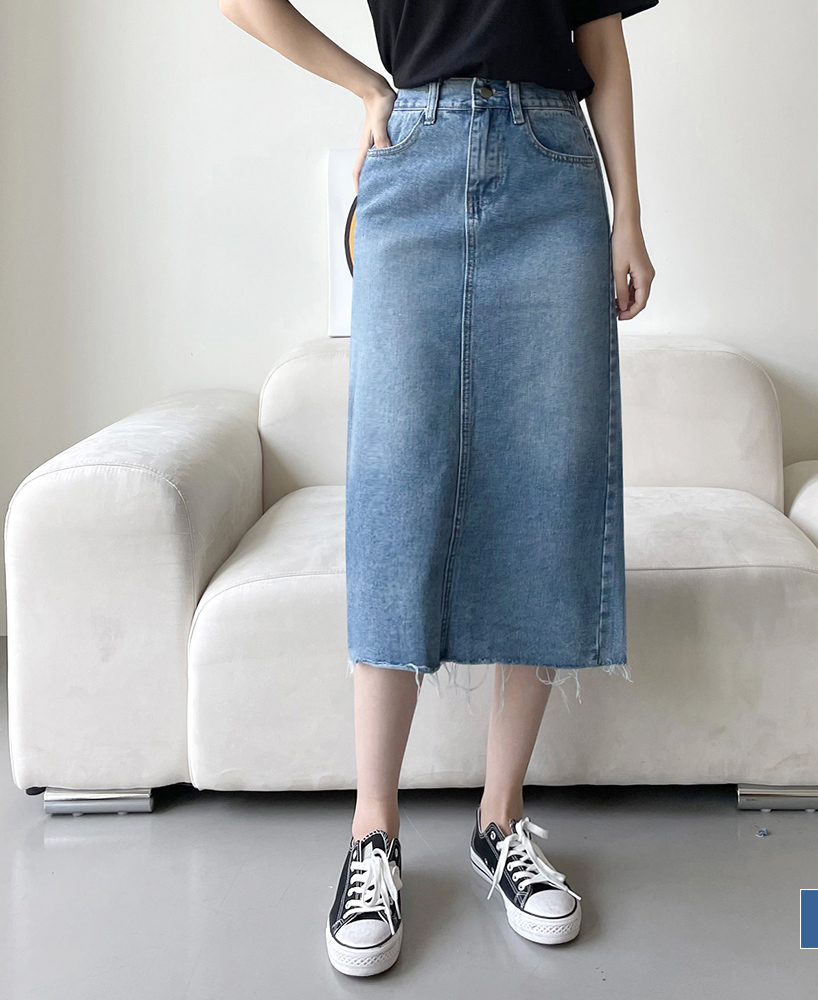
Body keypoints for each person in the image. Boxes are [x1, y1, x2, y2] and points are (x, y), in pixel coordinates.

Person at [219, 0, 657, 977]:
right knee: (394, 486)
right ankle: (372, 832)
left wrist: (628, 214)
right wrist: (363, 87)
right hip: (413, 158)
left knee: (547, 481)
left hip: (554, 170)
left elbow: (601, 43)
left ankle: (501, 822)